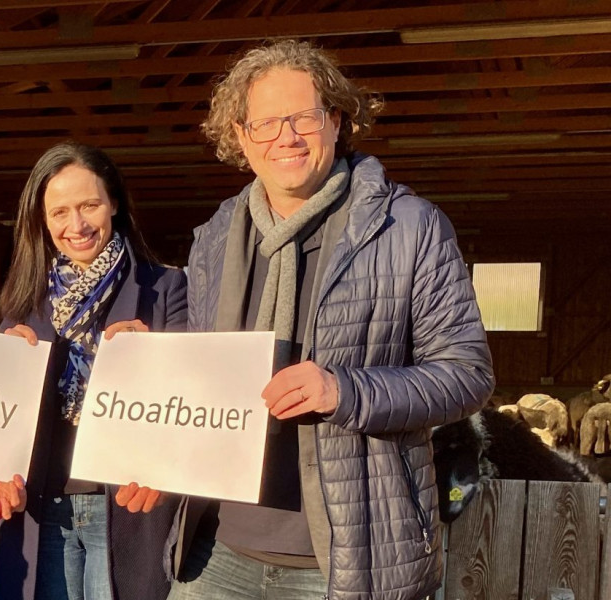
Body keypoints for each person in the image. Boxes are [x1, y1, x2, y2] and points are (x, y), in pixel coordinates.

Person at [163, 39, 494, 600]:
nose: (286, 137)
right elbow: (204, 369)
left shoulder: (408, 228)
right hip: (216, 551)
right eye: (265, 123)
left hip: (347, 559)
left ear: (337, 121)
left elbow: (467, 374)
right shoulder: (217, 236)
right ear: (241, 136)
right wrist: (149, 361)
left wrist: (344, 390)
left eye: (304, 118)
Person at [0, 142, 187, 600]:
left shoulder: (166, 289)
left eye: (89, 206)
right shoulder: (23, 301)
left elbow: (189, 405)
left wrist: (154, 359)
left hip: (124, 508)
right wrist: (2, 370)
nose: (75, 225)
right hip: (43, 505)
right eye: (59, 212)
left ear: (113, 203)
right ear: (42, 220)